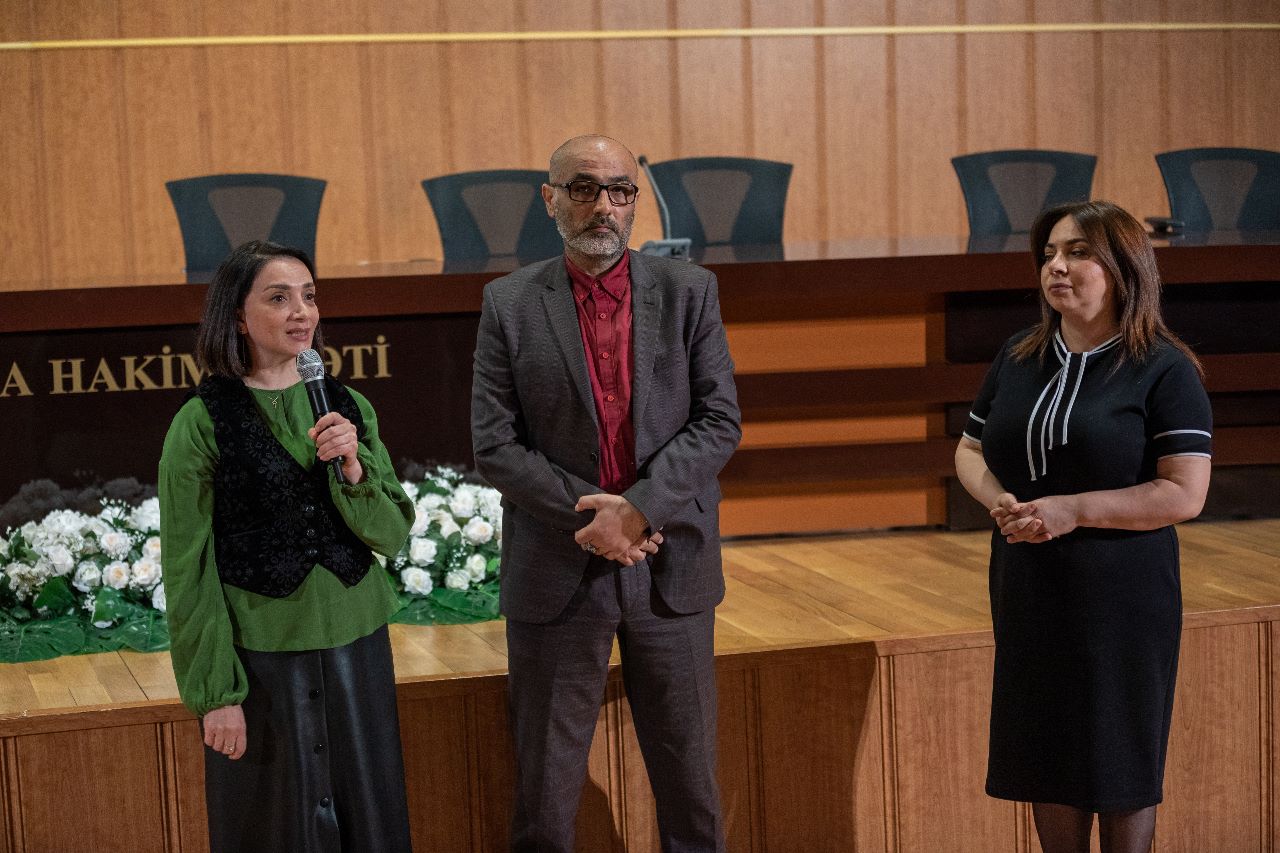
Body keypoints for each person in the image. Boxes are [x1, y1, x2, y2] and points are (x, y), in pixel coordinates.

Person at [471, 134, 741, 852]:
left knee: (691, 788)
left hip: (671, 563)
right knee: (546, 797)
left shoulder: (689, 291)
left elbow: (719, 420)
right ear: (550, 198)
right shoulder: (508, 303)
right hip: (559, 565)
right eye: (585, 188)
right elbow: (495, 443)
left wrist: (640, 509)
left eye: (620, 190)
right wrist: (598, 518)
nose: (604, 206)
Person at [954, 201, 1213, 853]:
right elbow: (969, 450)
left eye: (1077, 253)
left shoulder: (1164, 367)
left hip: (1122, 593)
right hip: (1029, 584)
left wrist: (1072, 509)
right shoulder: (1019, 354)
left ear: (1123, 268)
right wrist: (998, 500)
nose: (1057, 267)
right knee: (1047, 757)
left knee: (1120, 767)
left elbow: (1185, 492)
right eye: (1048, 254)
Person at [158, 241, 415, 853]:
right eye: (279, 298)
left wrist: (353, 466)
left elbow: (393, 533)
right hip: (264, 661)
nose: (302, 312)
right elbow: (188, 569)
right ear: (238, 317)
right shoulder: (200, 422)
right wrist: (217, 696)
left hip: (358, 648)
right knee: (277, 828)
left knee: (369, 824)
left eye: (309, 296)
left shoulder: (347, 406)